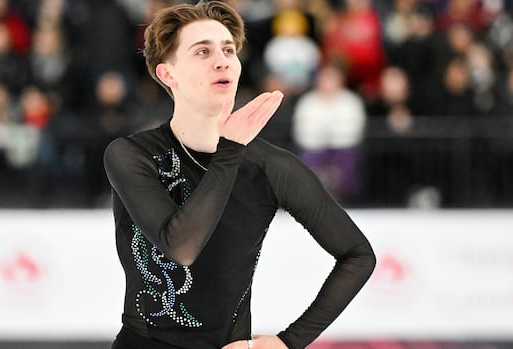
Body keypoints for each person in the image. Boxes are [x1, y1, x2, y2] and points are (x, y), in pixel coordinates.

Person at [103, 2, 376, 349]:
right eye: (202, 51)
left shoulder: (270, 166)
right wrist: (230, 148)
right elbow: (181, 247)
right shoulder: (133, 155)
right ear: (167, 74)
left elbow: (358, 255)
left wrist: (289, 341)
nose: (222, 60)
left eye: (228, 49)